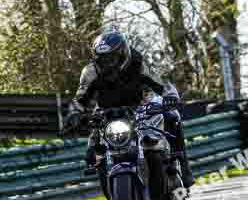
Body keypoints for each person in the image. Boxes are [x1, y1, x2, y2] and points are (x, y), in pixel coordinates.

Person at [64, 30, 195, 187]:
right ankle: (106, 177)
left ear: (123, 53)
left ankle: (183, 163)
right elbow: (80, 98)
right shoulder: (91, 72)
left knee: (172, 115)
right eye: (103, 59)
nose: (108, 63)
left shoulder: (138, 63)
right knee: (92, 152)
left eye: (112, 58)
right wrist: (75, 112)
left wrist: (171, 97)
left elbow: (161, 84)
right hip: (107, 110)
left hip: (142, 104)